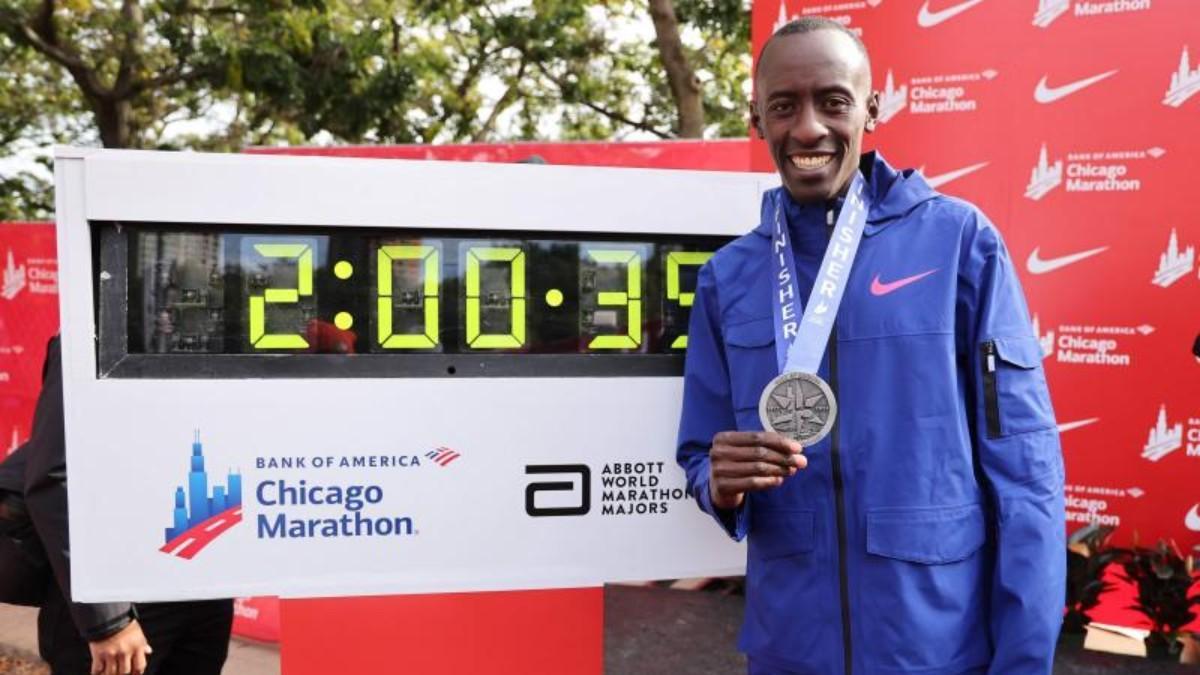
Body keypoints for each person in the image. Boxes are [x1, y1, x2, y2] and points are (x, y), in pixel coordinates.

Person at [676, 17, 1065, 675]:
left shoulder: (959, 243)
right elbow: (697, 451)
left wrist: (1024, 659)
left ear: (871, 109)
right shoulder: (729, 277)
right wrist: (718, 482)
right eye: (783, 106)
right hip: (788, 649)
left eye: (832, 101)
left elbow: (1024, 474)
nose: (808, 129)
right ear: (756, 118)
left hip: (936, 650)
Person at [21, 336, 234, 675]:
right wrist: (107, 619)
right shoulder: (93, 326)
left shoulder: (217, 328)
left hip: (203, 594)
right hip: (122, 598)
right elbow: (56, 478)